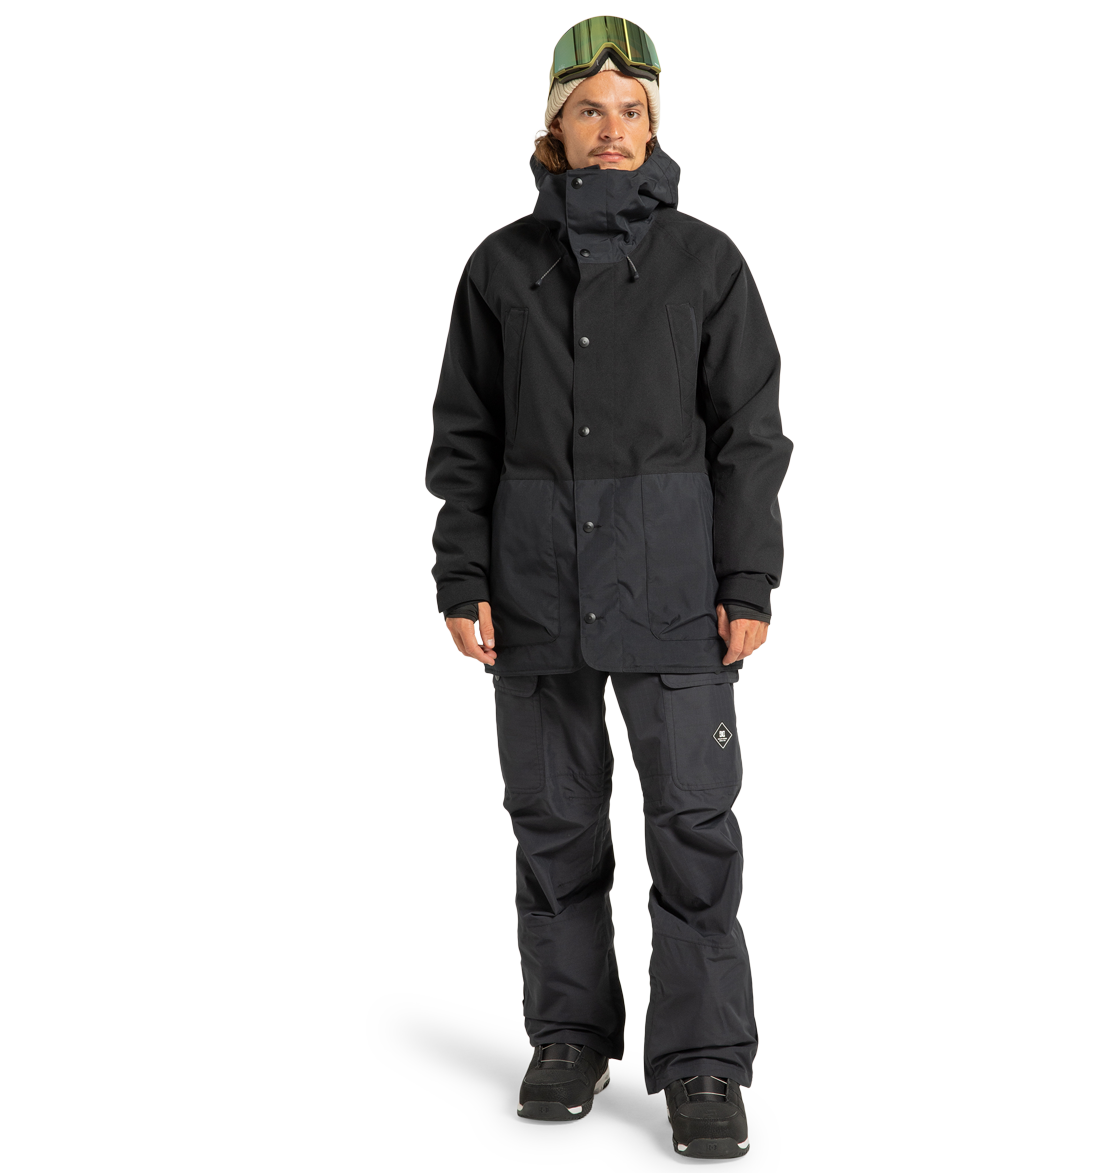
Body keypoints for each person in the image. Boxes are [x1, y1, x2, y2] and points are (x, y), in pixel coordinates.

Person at [424, 16, 792, 1161]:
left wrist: (747, 580)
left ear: (653, 123)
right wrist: (461, 575)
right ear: (556, 123)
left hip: (675, 587)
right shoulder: (500, 269)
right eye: (590, 108)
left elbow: (748, 438)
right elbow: (465, 438)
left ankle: (703, 1062)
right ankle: (571, 1035)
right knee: (553, 824)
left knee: (693, 826)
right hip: (533, 586)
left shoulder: (704, 263)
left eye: (632, 110)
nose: (613, 128)